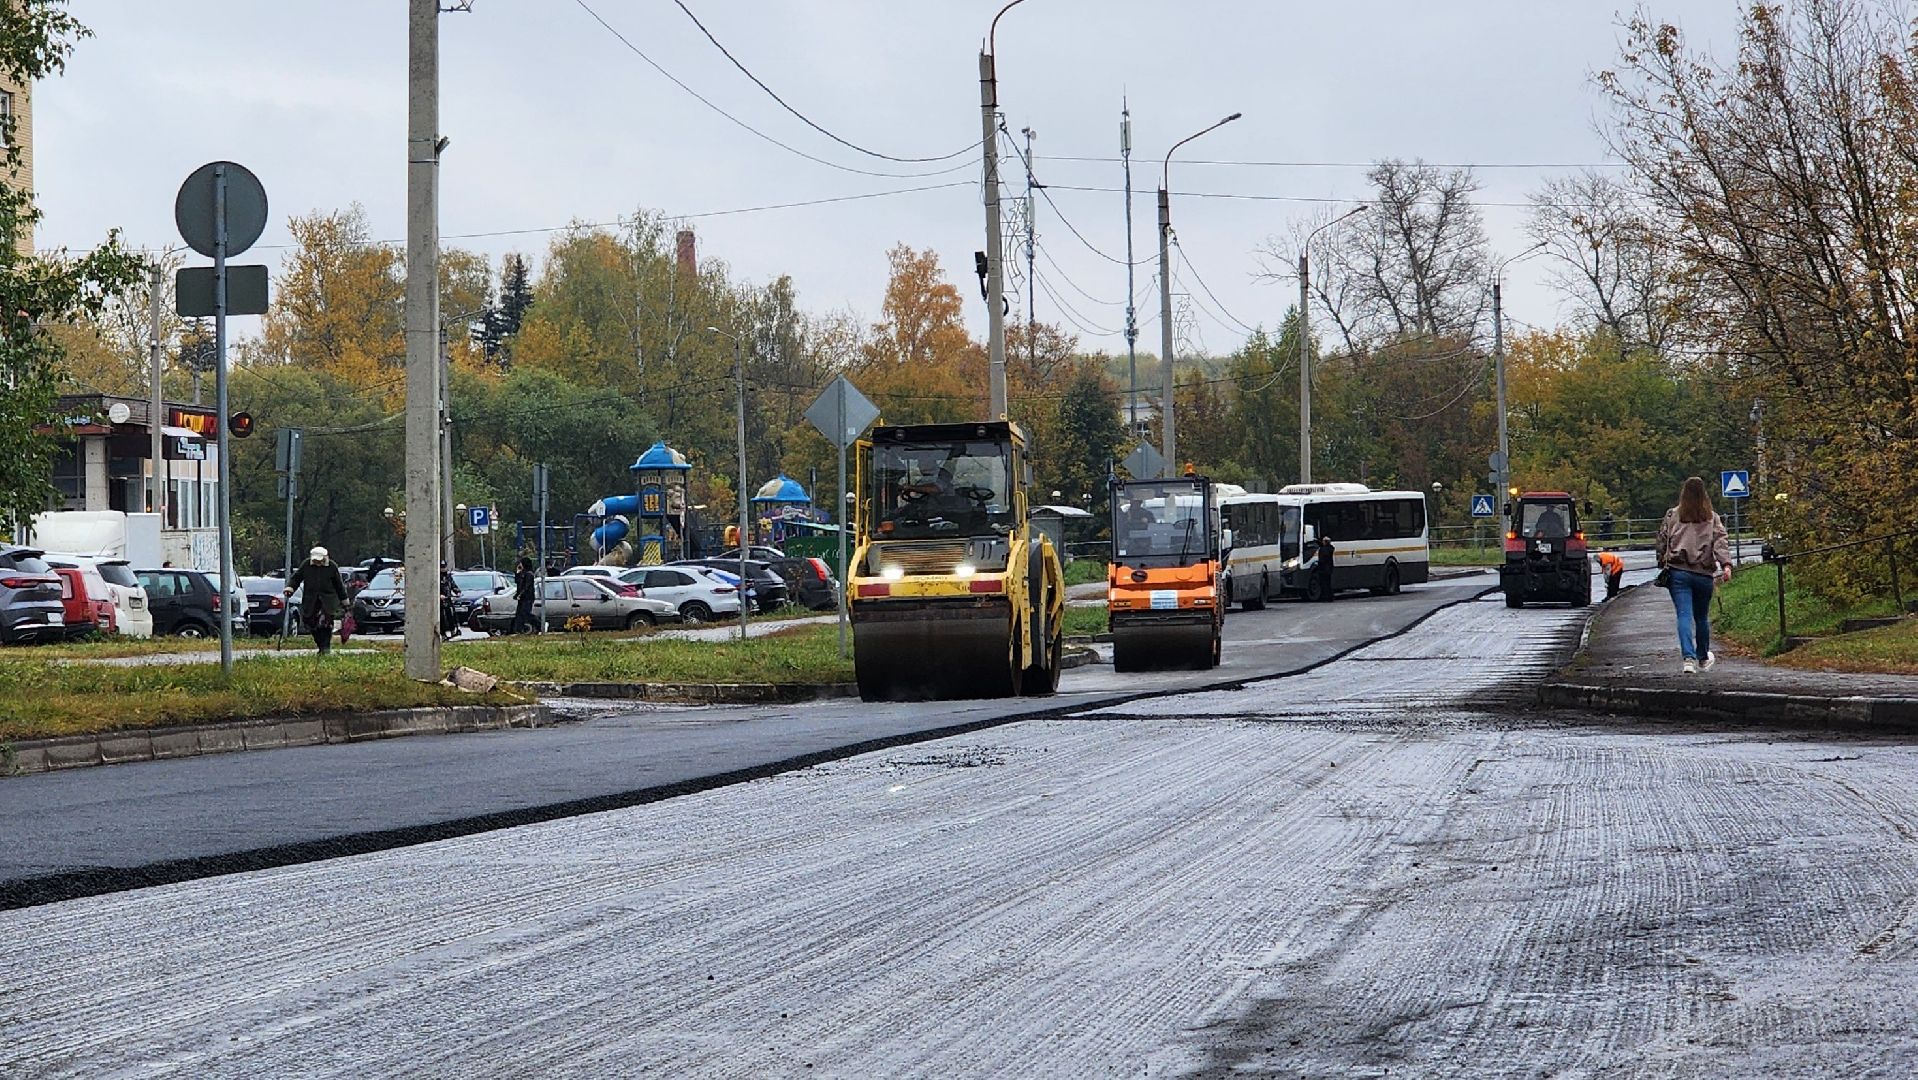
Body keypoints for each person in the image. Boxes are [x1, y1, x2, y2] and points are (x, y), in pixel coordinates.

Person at [1655, 476, 1733, 674]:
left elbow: (1662, 540)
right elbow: (1720, 542)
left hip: (1678, 572)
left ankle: (1687, 658)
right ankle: (1703, 657)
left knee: (1683, 615)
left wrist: (1661, 561)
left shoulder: (1672, 515)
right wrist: (1726, 565)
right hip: (1703, 573)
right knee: (1701, 617)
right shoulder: (1712, 517)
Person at [285, 546, 349, 655]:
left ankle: (325, 647)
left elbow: (339, 585)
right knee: (310, 623)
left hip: (327, 601)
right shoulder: (306, 565)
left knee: (326, 624)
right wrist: (290, 588)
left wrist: (344, 601)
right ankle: (320, 644)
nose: (317, 562)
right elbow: (296, 578)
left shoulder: (332, 567)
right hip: (311, 600)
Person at [511, 556, 538, 634]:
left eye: (521, 563)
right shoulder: (523, 573)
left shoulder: (529, 574)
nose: (520, 565)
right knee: (519, 614)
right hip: (522, 598)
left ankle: (539, 624)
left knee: (525, 613)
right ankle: (519, 629)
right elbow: (517, 582)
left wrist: (520, 594)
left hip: (528, 597)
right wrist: (517, 572)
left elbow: (526, 586)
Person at [439, 565, 459, 640]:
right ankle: (443, 633)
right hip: (439, 601)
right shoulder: (436, 577)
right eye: (442, 567)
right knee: (442, 617)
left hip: (448, 598)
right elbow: (434, 588)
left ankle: (453, 630)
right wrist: (439, 595)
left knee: (451, 614)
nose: (443, 569)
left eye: (444, 567)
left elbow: (453, 585)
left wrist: (457, 592)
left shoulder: (448, 576)